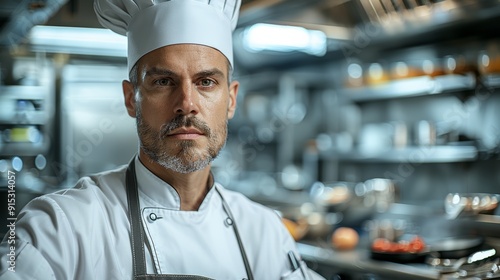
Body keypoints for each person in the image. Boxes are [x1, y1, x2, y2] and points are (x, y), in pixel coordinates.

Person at [0, 0, 325, 279]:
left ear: (231, 100)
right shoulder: (62, 227)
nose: (187, 103)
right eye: (164, 81)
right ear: (131, 99)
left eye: (207, 82)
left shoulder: (265, 232)